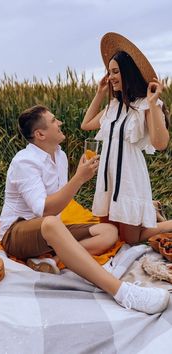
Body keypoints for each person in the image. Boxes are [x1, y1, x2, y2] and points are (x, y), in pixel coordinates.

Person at [0, 104, 170, 314]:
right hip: (16, 234)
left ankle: (53, 260)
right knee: (52, 222)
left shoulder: (59, 155)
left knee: (108, 231)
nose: (59, 122)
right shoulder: (25, 162)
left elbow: (59, 200)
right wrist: (79, 179)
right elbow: (44, 211)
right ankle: (123, 293)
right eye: (53, 121)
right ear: (40, 134)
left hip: (47, 233)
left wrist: (80, 176)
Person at [81, 32, 172, 244]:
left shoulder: (146, 105)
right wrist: (100, 93)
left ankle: (154, 213)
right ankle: (151, 207)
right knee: (111, 235)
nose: (111, 76)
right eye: (109, 72)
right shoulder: (114, 106)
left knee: (131, 240)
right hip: (108, 177)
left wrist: (152, 102)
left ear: (128, 73)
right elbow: (86, 125)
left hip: (130, 177)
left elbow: (161, 144)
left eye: (116, 72)